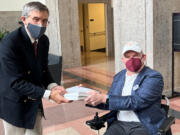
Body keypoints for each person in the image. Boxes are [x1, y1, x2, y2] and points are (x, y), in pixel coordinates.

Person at [0, 2, 70, 135]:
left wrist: (53, 86)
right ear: (24, 20)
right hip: (14, 103)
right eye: (36, 19)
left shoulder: (44, 40)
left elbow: (43, 69)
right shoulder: (10, 42)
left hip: (34, 100)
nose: (41, 25)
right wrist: (49, 95)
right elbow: (15, 82)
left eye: (44, 21)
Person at [85, 41, 167, 135]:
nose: (131, 59)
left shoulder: (153, 77)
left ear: (143, 57)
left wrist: (104, 98)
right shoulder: (119, 76)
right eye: (127, 57)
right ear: (123, 60)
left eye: (135, 55)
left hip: (143, 125)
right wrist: (91, 97)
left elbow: (137, 102)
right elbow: (110, 102)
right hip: (119, 124)